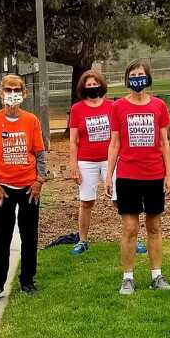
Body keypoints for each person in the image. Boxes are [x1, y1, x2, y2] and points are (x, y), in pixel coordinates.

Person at [105, 60, 170, 295]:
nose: (137, 78)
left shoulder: (159, 106)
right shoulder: (118, 107)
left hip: (154, 174)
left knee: (154, 226)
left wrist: (169, 174)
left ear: (148, 78)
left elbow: (164, 142)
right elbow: (114, 143)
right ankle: (127, 277)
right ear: (127, 79)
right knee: (130, 227)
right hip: (127, 175)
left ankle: (157, 275)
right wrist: (108, 176)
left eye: (141, 74)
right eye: (133, 75)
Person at [0, 74, 47, 303]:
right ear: (0, 92)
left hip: (29, 187)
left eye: (16, 89)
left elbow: (39, 152)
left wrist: (39, 180)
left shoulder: (31, 120)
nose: (12, 93)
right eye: (8, 89)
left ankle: (27, 281)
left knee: (30, 237)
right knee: (2, 238)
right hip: (3, 190)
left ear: (24, 93)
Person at [68, 70, 115, 255]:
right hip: (86, 161)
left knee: (121, 200)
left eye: (95, 84)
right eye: (88, 85)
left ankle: (133, 237)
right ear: (83, 88)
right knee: (86, 201)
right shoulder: (77, 109)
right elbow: (73, 140)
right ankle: (82, 240)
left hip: (110, 160)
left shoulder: (112, 106)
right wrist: (73, 165)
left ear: (101, 85)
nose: (92, 88)